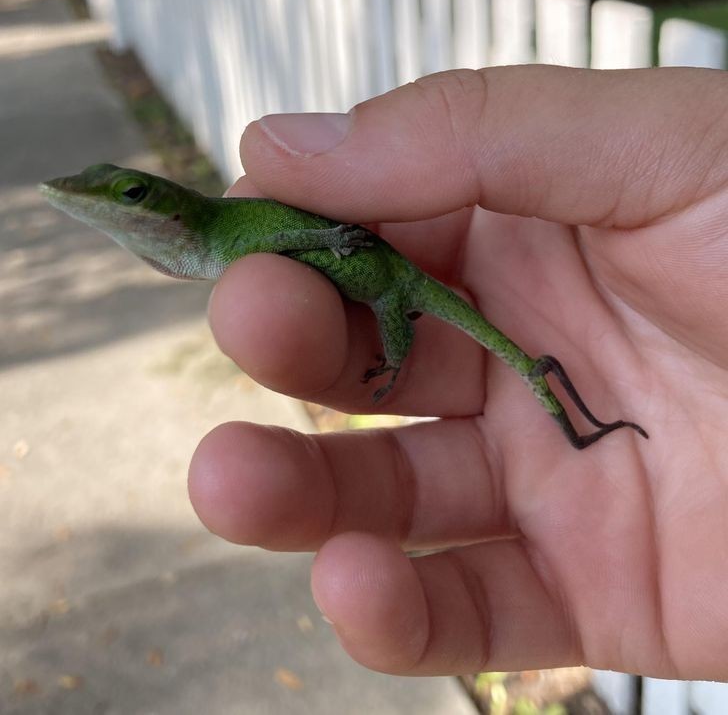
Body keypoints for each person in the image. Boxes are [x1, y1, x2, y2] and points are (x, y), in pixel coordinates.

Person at [188, 65, 728, 680]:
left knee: (403, 338)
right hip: (387, 284)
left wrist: (393, 354)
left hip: (393, 286)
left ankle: (530, 390)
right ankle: (544, 396)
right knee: (288, 328)